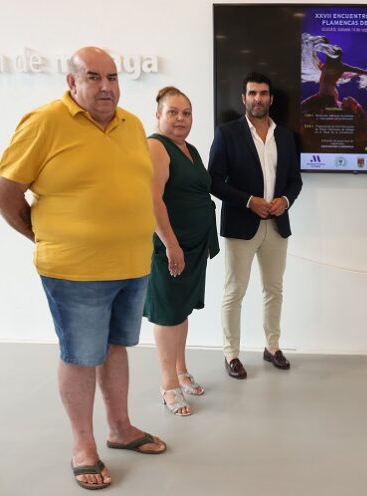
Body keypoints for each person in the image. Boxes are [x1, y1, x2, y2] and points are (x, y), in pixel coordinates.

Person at [0, 47, 166, 490]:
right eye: (93, 77)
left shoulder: (132, 124)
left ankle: (120, 429)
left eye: (112, 77)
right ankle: (84, 446)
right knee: (80, 356)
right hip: (74, 271)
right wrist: (45, 236)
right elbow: (2, 193)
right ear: (72, 82)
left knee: (115, 348)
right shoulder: (45, 122)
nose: (105, 86)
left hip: (130, 265)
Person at [208, 72, 303, 379]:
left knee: (274, 290)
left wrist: (285, 200)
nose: (258, 99)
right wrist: (250, 201)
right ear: (243, 98)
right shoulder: (227, 133)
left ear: (271, 99)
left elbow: (295, 181)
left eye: (263, 93)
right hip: (241, 223)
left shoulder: (286, 136)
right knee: (234, 290)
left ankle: (272, 347)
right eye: (252, 93)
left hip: (277, 224)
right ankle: (231, 354)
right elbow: (214, 181)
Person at [143, 86, 219, 416]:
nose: (180, 118)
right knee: (166, 313)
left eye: (186, 113)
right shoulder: (156, 147)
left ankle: (180, 370)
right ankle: (168, 385)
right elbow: (152, 200)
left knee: (182, 311)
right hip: (170, 248)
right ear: (158, 115)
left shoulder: (189, 149)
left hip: (193, 246)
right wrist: (171, 245)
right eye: (172, 112)